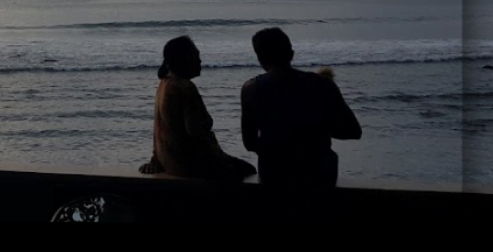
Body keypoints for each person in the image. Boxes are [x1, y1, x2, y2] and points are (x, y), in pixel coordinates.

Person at [240, 28, 362, 188]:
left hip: (274, 174)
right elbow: (353, 131)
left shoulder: (250, 89)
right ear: (291, 54)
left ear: (260, 58)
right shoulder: (323, 84)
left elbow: (249, 143)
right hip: (319, 173)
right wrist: (316, 130)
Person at [139, 36, 257, 181]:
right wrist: (220, 165)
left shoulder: (164, 85)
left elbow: (165, 128)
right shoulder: (185, 87)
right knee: (250, 170)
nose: (200, 61)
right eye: (195, 57)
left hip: (171, 164)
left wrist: (156, 160)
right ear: (183, 60)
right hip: (190, 166)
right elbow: (196, 133)